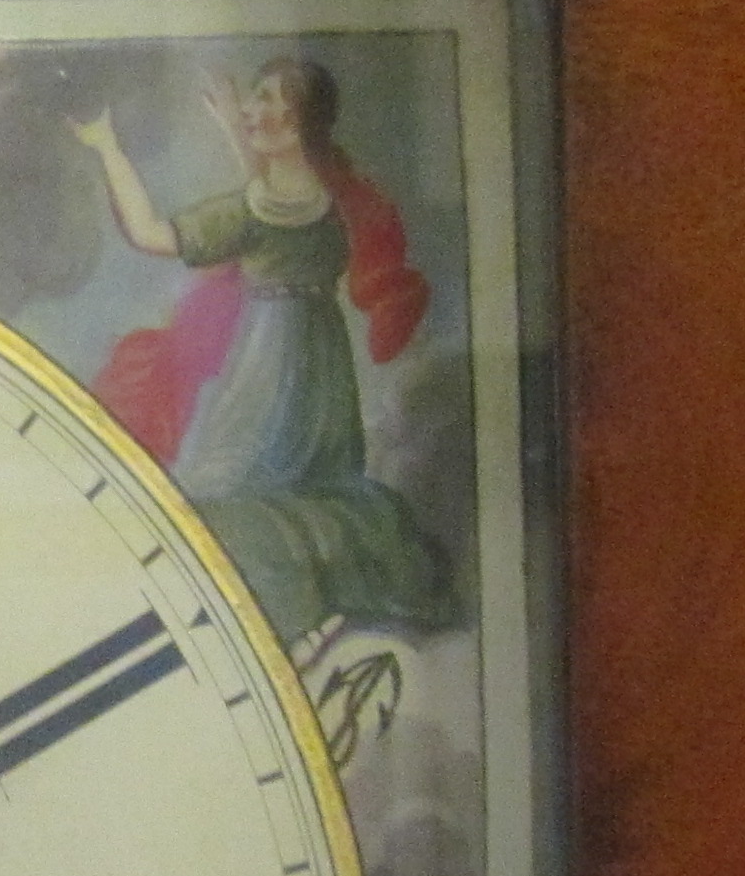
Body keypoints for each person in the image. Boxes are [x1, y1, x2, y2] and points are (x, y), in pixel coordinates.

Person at [74, 59, 459, 647]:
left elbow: (150, 232)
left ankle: (259, 620)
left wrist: (107, 148)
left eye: (267, 102)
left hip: (267, 366)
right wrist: (236, 128)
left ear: (292, 120)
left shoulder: (256, 210)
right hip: (320, 366)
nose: (255, 111)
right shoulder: (328, 198)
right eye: (255, 100)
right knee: (300, 493)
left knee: (230, 496)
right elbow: (275, 190)